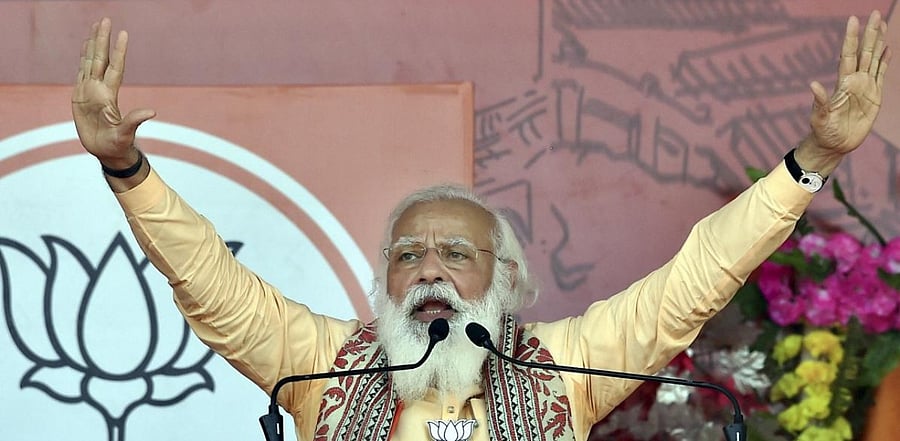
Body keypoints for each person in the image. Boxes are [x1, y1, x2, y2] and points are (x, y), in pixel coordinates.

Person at [71, 11, 890, 441]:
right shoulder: (318, 366)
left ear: (503, 281)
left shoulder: (568, 373)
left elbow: (693, 280)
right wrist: (127, 170)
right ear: (384, 280)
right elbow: (210, 283)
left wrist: (811, 158)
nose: (429, 269)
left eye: (456, 252)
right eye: (408, 254)